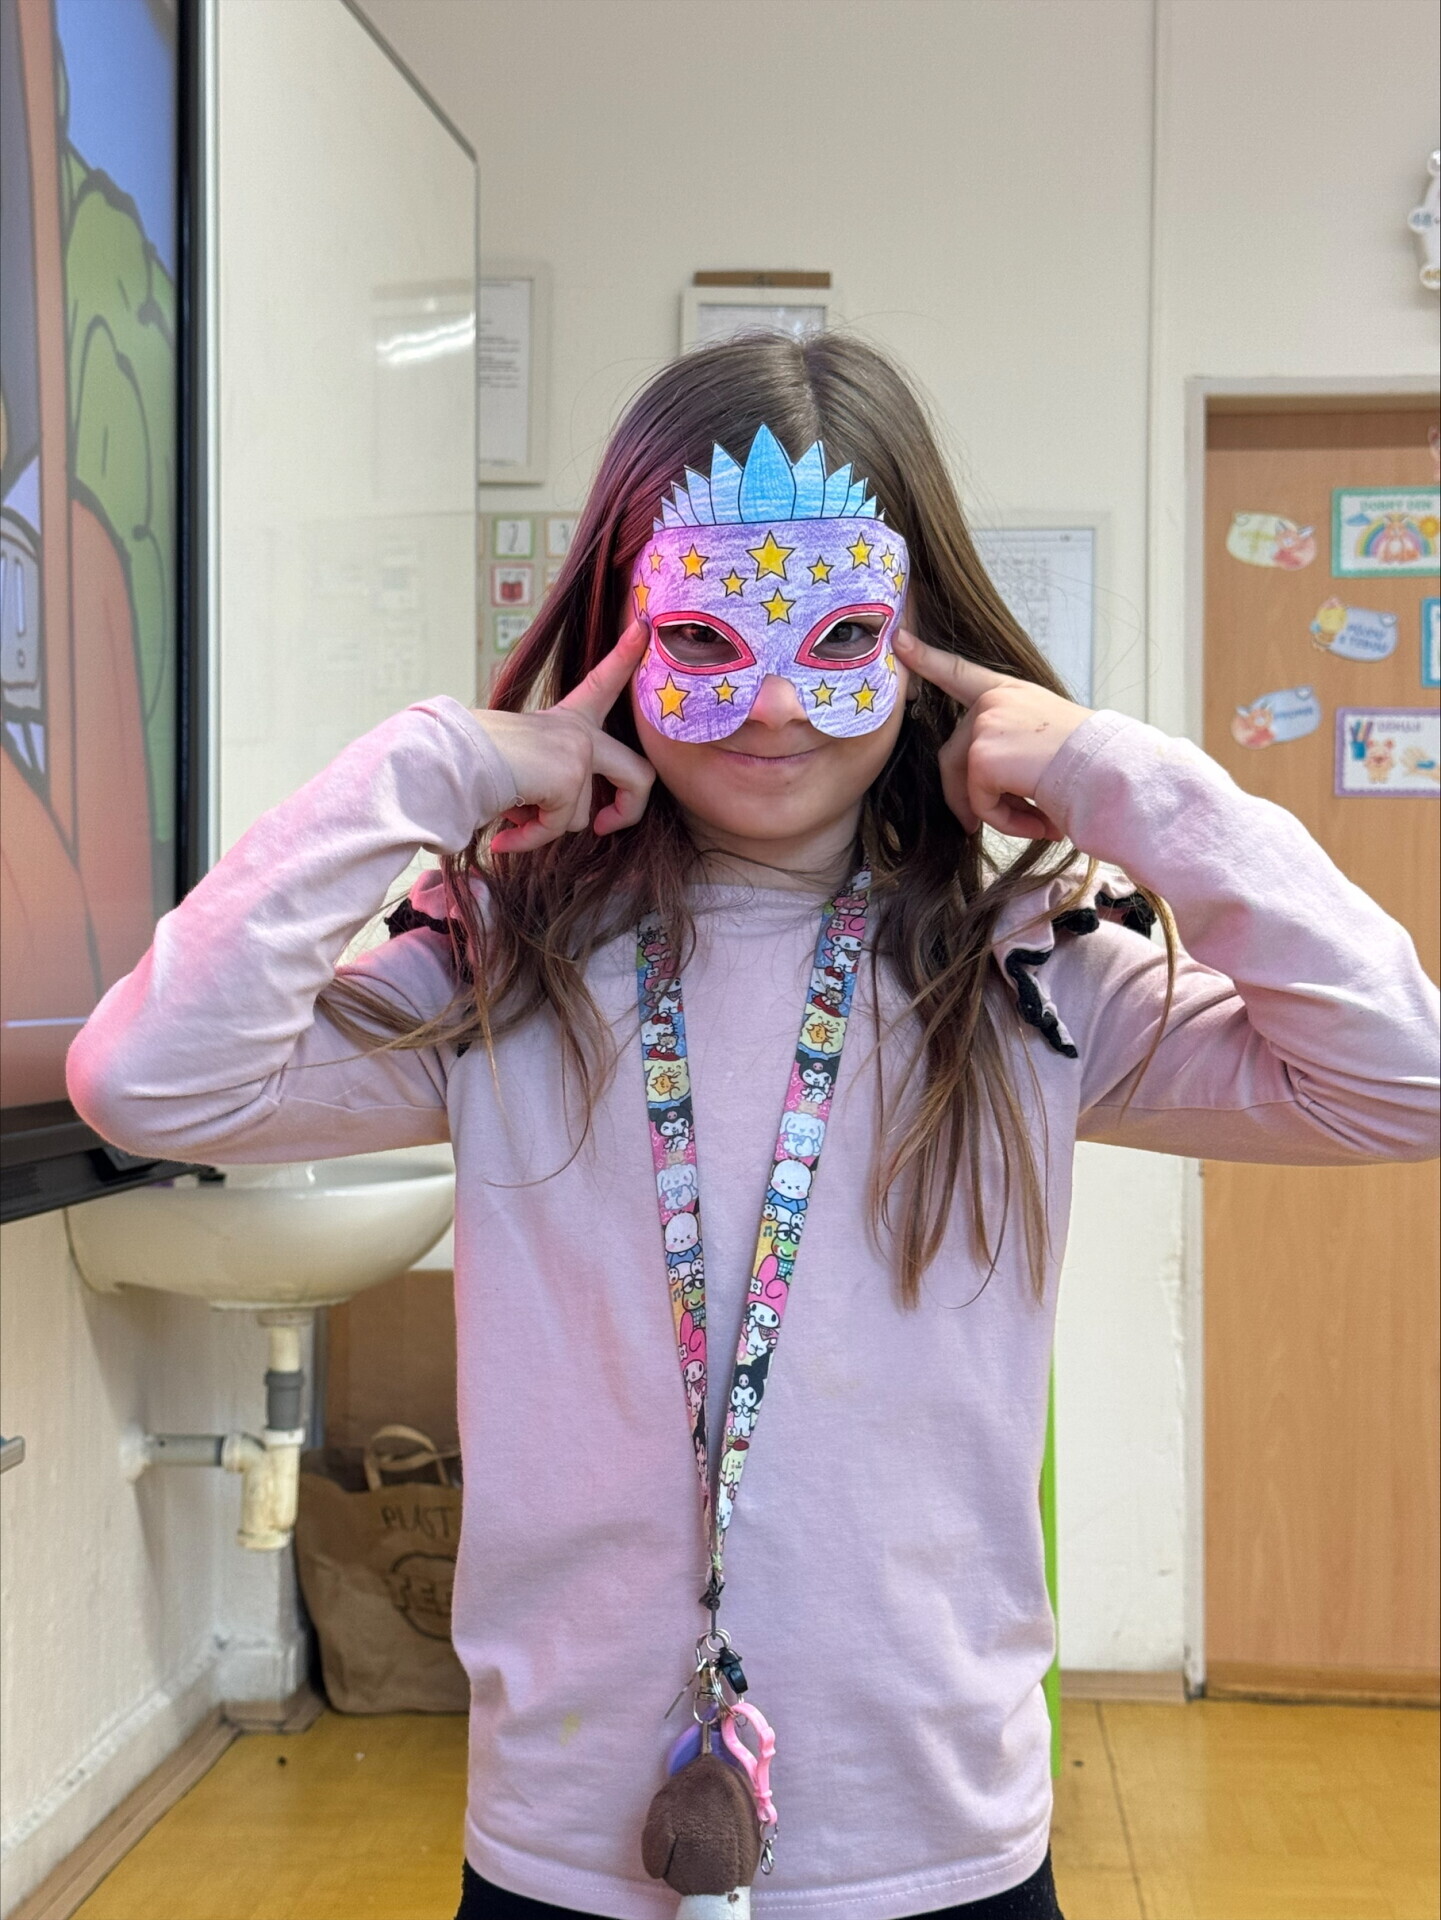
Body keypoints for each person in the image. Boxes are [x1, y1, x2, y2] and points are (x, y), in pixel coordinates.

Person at [67, 334, 1439, 1920]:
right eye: (708, 637)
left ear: (925, 650)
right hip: (569, 1837)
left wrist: (1125, 781)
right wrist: (426, 768)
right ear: (620, 633)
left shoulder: (1028, 971)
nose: (775, 702)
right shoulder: (502, 967)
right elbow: (149, 1081)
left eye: (841, 635)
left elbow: (1400, 1078)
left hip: (936, 1836)